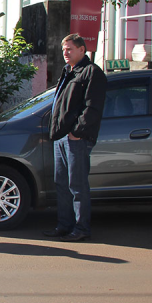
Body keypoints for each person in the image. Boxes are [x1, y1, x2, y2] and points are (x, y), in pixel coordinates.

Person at [45, 33, 107, 242]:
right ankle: (64, 225)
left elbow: (92, 108)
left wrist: (77, 132)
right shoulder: (67, 72)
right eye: (64, 50)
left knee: (77, 185)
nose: (65, 53)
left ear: (82, 49)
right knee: (61, 184)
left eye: (69, 49)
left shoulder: (91, 73)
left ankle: (81, 228)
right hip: (61, 137)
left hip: (76, 138)